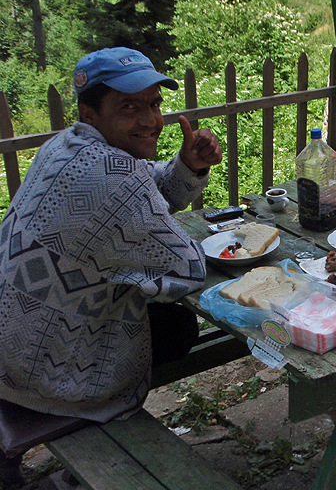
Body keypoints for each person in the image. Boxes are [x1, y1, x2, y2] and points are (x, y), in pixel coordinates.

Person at [0, 47, 222, 486]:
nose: (150, 119)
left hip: (9, 340)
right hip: (48, 368)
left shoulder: (61, 146)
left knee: (155, 311)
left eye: (154, 104)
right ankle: (87, 468)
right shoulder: (115, 173)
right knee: (181, 328)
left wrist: (187, 166)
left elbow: (143, 194)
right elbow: (188, 266)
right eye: (129, 106)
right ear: (90, 112)